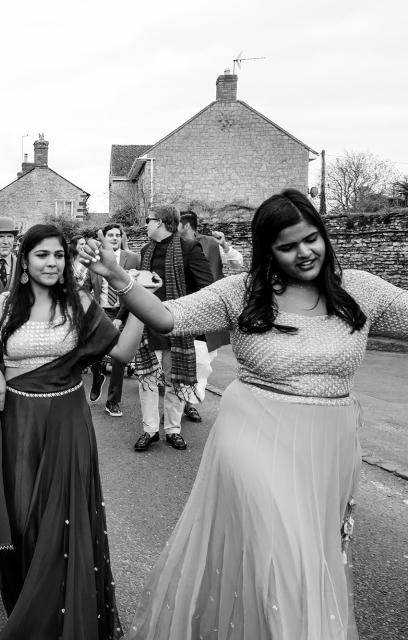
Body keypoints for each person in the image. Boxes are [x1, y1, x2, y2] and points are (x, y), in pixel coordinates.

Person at [82, 189, 408, 640]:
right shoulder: (242, 292)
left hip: (329, 443)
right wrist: (117, 275)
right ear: (268, 252)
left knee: (313, 552)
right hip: (253, 432)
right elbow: (165, 316)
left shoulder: (360, 290)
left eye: (311, 239)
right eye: (288, 246)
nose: (304, 252)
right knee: (288, 555)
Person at [0, 224, 150, 640]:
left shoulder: (79, 305)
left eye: (59, 256)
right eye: (42, 255)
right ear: (24, 262)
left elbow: (123, 352)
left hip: (66, 426)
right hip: (14, 427)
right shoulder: (1, 308)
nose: (51, 263)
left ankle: (54, 615)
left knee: (59, 520)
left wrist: (137, 306)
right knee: (22, 519)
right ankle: (23, 596)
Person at [129, 205, 214, 452]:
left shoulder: (189, 249)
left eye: (149, 220)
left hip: (177, 326)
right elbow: (136, 290)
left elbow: (206, 287)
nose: (146, 224)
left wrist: (187, 314)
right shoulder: (145, 251)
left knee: (175, 380)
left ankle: (173, 430)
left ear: (161, 222)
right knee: (147, 379)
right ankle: (150, 430)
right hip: (147, 326)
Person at [86, 223, 141, 418]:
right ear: (105, 238)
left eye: (118, 235)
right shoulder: (95, 260)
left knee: (119, 357)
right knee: (93, 350)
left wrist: (119, 318)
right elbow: (85, 288)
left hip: (124, 311)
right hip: (102, 311)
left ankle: (113, 401)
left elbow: (136, 288)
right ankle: (97, 376)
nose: (115, 238)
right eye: (110, 235)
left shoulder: (133, 259)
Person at [179, 210, 226, 422]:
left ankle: (190, 402)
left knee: (202, 362)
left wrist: (225, 245)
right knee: (180, 361)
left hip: (207, 313)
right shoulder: (173, 245)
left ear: (185, 225)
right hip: (181, 312)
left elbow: (233, 264)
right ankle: (177, 406)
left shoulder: (211, 244)